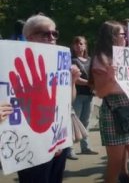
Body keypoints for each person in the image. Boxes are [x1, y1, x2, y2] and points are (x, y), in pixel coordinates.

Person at [8, 14, 81, 183]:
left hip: (58, 140)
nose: (52, 38)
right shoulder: (11, 62)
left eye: (54, 34)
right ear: (30, 37)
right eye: (45, 34)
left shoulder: (59, 63)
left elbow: (68, 101)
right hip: (29, 144)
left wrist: (72, 82)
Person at [89, 21, 129, 183]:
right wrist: (110, 78)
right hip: (113, 112)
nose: (127, 38)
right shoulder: (101, 59)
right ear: (112, 37)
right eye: (123, 34)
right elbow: (101, 92)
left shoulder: (128, 56)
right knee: (115, 164)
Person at [67, 36, 98, 160]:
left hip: (89, 95)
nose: (78, 46)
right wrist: (89, 83)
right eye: (76, 44)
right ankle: (69, 149)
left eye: (81, 43)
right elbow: (76, 79)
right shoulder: (72, 60)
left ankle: (85, 147)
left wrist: (95, 84)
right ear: (73, 46)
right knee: (74, 122)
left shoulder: (90, 60)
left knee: (85, 122)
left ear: (85, 45)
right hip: (77, 95)